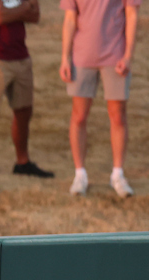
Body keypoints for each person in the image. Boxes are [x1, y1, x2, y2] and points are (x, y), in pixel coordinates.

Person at [0, 0, 54, 195]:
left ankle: (22, 162)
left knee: (24, 111)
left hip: (20, 56)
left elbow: (35, 15)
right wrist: (22, 8)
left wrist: (8, 12)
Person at [60, 0, 140, 197]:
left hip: (115, 55)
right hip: (81, 57)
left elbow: (131, 14)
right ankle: (80, 175)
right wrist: (65, 57)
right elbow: (70, 18)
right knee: (78, 116)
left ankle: (118, 174)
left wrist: (128, 55)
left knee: (118, 116)